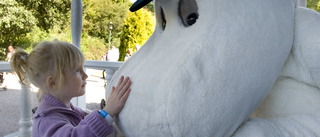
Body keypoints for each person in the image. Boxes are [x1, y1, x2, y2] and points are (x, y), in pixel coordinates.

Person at [10, 39, 132, 137]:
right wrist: (107, 112)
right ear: (53, 83)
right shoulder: (46, 121)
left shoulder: (68, 109)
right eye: (77, 70)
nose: (85, 75)